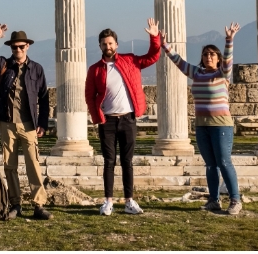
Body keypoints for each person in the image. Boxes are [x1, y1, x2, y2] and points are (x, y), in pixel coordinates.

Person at [161, 22, 242, 215]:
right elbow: (178, 60)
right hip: (202, 125)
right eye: (205, 54)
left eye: (212, 54)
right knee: (210, 164)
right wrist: (164, 45)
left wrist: (229, 40)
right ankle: (214, 200)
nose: (208, 57)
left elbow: (229, 61)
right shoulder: (196, 73)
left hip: (221, 125)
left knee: (224, 162)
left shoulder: (222, 74)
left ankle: (235, 200)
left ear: (218, 58)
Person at [0, 24, 53, 221]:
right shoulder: (2, 64)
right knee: (9, 166)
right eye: (14, 47)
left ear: (28, 46)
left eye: (21, 46)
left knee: (33, 165)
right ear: (10, 48)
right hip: (7, 124)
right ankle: (15, 204)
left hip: (29, 125)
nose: (17, 50)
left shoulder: (36, 69)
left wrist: (42, 123)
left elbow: (44, 98)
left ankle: (38, 205)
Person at [85, 18, 161, 216]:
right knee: (109, 161)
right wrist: (98, 118)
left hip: (128, 119)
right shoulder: (95, 69)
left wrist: (154, 37)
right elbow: (89, 95)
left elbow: (153, 57)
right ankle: (108, 201)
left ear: (116, 45)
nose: (107, 46)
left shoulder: (130, 60)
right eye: (104, 43)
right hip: (107, 121)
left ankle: (129, 201)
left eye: (110, 43)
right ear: (100, 46)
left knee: (127, 161)